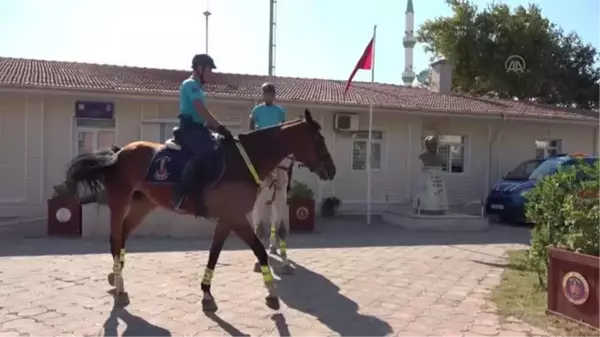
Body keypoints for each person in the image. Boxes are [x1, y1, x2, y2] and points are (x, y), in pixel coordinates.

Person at [171, 54, 234, 211]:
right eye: (210, 69)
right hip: (189, 129)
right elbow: (200, 109)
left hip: (198, 128)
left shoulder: (198, 88)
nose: (212, 73)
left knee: (220, 150)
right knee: (206, 153)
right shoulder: (190, 84)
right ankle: (181, 195)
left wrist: (220, 131)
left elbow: (201, 117)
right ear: (200, 68)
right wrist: (219, 126)